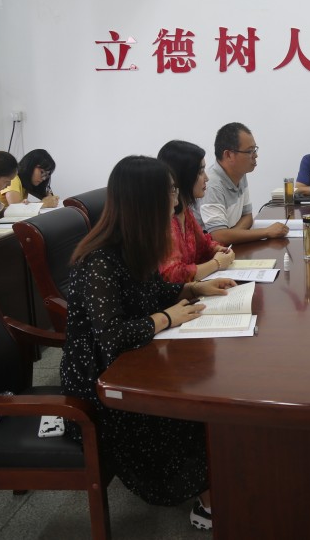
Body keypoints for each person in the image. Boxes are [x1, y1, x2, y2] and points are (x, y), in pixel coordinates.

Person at [60, 155, 237, 532]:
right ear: (145, 201)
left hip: (131, 363)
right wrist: (166, 318)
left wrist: (193, 288)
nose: (176, 200)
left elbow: (153, 292)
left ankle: (219, 479)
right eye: (169, 192)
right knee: (188, 410)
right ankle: (208, 500)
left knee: (205, 392)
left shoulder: (135, 245)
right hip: (101, 387)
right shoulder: (100, 260)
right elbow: (111, 336)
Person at [157, 140, 236, 283]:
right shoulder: (167, 220)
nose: (206, 178)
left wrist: (218, 250)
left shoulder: (185, 211)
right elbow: (173, 275)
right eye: (200, 172)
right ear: (184, 176)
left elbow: (204, 245)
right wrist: (217, 263)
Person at [200, 122, 288, 245]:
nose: (255, 155)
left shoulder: (240, 174)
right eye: (250, 151)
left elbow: (247, 217)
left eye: (255, 149)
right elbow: (218, 236)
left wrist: (230, 235)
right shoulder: (212, 185)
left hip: (228, 248)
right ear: (229, 155)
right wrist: (266, 232)